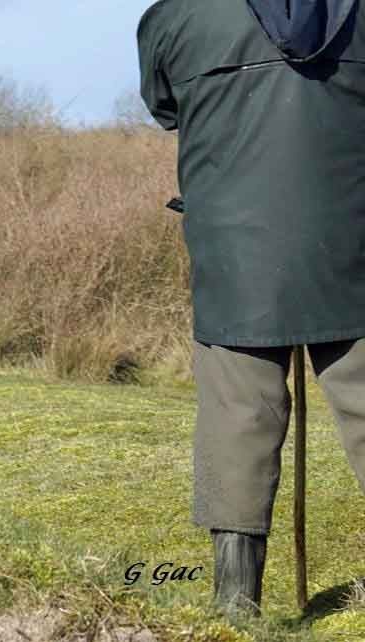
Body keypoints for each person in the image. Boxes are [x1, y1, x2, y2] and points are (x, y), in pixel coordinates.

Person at [138, 0, 365, 617]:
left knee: (238, 417)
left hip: (235, 249)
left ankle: (236, 604)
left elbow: (164, 108)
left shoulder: (172, 18)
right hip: (353, 244)